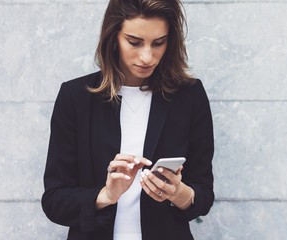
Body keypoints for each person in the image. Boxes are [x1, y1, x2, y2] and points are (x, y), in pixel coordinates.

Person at [41, 0, 214, 239]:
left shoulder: (189, 96)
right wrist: (106, 195)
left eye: (158, 43)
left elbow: (204, 195)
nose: (147, 56)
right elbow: (54, 201)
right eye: (134, 42)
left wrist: (178, 193)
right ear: (113, 37)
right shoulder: (76, 97)